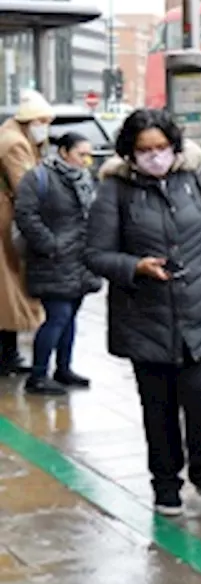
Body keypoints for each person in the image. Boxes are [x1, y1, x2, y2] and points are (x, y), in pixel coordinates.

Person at [86, 109, 201, 518]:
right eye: (145, 150)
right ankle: (166, 483)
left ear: (174, 146)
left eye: (161, 148)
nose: (155, 157)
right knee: (157, 411)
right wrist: (135, 267)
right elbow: (96, 254)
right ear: (130, 153)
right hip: (145, 320)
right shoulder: (115, 189)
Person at [14, 132, 101, 395]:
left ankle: (64, 368)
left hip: (80, 260)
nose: (86, 161)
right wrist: (50, 244)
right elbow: (25, 214)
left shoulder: (84, 179)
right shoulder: (39, 177)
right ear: (63, 152)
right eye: (80, 155)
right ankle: (38, 375)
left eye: (89, 155)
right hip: (51, 260)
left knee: (71, 316)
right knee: (57, 316)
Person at [0, 89, 54, 376]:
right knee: (9, 290)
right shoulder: (15, 145)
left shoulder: (13, 136)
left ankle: (8, 352)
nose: (45, 127)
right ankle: (7, 355)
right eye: (42, 121)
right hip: (6, 221)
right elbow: (27, 186)